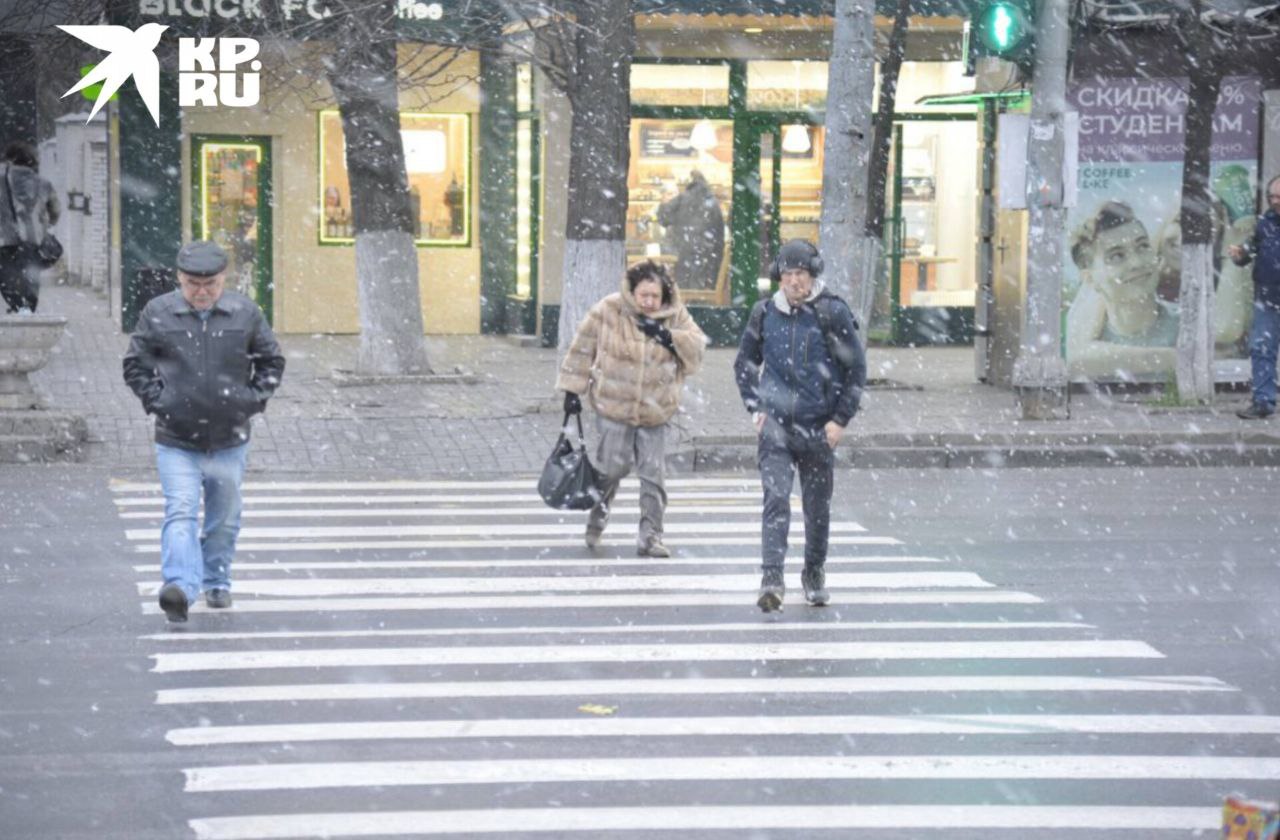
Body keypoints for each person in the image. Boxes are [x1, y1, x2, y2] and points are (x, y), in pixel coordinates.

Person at [123, 241, 286, 622]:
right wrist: (161, 402)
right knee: (180, 510)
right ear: (179, 278)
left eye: (209, 284)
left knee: (223, 518)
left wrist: (249, 402)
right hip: (176, 438)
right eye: (192, 284)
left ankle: (216, 581)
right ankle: (179, 587)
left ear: (223, 279)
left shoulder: (244, 313)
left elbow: (271, 361)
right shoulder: (159, 312)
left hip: (229, 438)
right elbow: (135, 366)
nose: (201, 292)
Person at [733, 239, 866, 613]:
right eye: (788, 274)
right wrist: (755, 408)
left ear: (813, 274)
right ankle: (772, 578)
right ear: (779, 277)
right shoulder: (764, 313)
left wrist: (839, 420)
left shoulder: (831, 312)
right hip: (775, 428)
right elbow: (744, 364)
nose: (795, 281)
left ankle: (814, 572)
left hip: (819, 427)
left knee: (816, 508)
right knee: (775, 500)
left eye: (802, 274)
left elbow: (856, 369)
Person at [556, 259, 706, 557]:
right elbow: (582, 347)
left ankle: (650, 536)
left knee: (653, 476)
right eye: (644, 295)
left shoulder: (675, 315)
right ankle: (598, 517)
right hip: (614, 408)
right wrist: (572, 390)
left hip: (656, 410)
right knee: (611, 470)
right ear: (632, 292)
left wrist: (668, 337)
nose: (649, 302)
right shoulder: (609, 309)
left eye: (655, 296)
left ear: (664, 295)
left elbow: (697, 348)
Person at [1066, 201, 1179, 380]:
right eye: (1117, 256)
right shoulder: (1087, 343)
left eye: (1142, 246)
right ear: (1089, 278)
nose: (1137, 263)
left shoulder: (1186, 327)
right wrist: (1174, 358)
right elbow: (1076, 360)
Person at [1230, 174, 1280, 419]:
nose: (1275, 201)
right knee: (1261, 347)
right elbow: (1251, 251)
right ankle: (1263, 401)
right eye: (1272, 197)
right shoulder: (1265, 223)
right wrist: (1240, 255)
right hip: (1267, 297)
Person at [0, 141, 60, 313]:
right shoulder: (43, 183)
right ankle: (26, 309)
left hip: (4, 240)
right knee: (30, 278)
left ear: (9, 160)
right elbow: (55, 211)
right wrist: (45, 226)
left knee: (7, 278)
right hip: (33, 241)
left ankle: (16, 306)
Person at [656, 170, 725, 292]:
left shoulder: (683, 198)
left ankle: (687, 300)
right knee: (698, 287)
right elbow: (720, 236)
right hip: (707, 261)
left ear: (690, 185)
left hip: (683, 258)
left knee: (681, 286)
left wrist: (663, 203)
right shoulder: (713, 203)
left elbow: (662, 218)